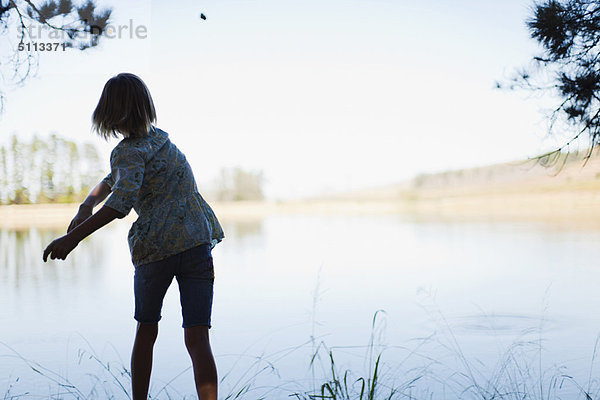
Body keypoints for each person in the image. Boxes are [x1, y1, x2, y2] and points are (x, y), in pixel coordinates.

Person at [42, 72, 224, 400]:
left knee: (146, 331)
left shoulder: (126, 151)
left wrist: (73, 238)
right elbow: (115, 179)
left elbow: (121, 202)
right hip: (197, 243)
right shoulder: (162, 142)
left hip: (157, 250)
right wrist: (86, 204)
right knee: (198, 339)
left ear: (110, 113)